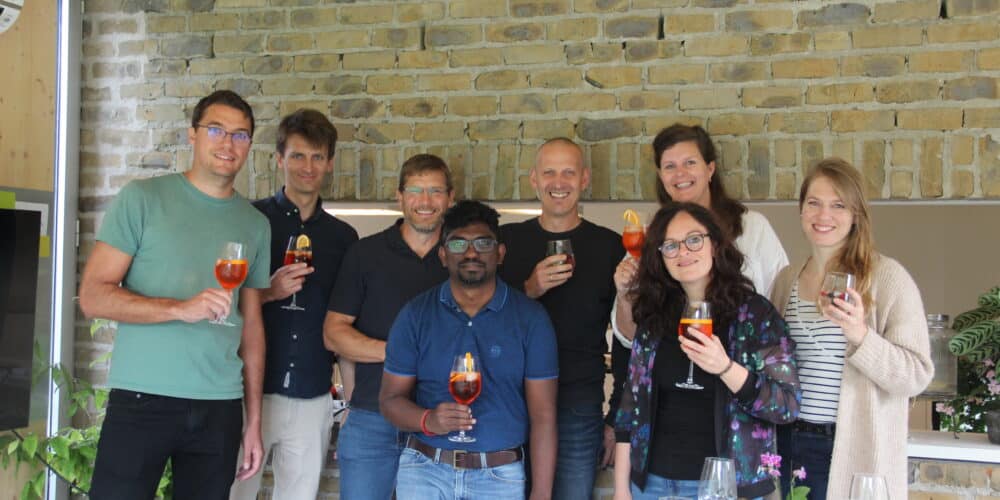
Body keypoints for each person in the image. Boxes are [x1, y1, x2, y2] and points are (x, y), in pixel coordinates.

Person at [79, 90, 270, 499]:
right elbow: (93, 297)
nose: (228, 143)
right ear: (192, 135)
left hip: (220, 405)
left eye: (240, 135)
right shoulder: (142, 199)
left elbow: (252, 326)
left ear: (249, 145)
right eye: (216, 129)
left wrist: (253, 420)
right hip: (141, 398)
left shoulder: (255, 224)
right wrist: (180, 309)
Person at [613, 202, 801, 500]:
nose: (683, 252)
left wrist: (725, 368)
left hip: (724, 487)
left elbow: (786, 405)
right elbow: (629, 407)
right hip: (651, 486)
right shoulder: (654, 315)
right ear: (660, 257)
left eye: (694, 240)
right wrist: (621, 489)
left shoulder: (755, 315)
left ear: (714, 245)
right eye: (670, 245)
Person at [770, 158, 932, 500]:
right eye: (814, 203)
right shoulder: (786, 280)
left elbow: (916, 375)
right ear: (801, 210)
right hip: (787, 439)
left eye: (838, 205)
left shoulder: (887, 278)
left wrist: (860, 335)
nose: (823, 215)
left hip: (849, 446)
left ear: (856, 214)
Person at [380, 200, 559, 500]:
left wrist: (541, 493)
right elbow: (389, 400)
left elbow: (543, 415)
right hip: (425, 471)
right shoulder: (415, 314)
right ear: (443, 254)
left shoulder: (531, 319)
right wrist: (428, 420)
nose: (471, 253)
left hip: (499, 477)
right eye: (458, 243)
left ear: (500, 253)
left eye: (483, 243)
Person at [229, 109, 358, 500]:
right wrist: (267, 292)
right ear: (279, 159)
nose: (308, 167)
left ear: (330, 163)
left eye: (318, 157)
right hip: (245, 392)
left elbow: (344, 322)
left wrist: (351, 401)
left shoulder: (343, 237)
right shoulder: (248, 220)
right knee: (234, 493)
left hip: (313, 394)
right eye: (298, 155)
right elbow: (218, 304)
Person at [498, 137, 626, 499]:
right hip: (509, 402)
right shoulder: (505, 242)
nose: (559, 182)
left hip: (578, 404)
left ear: (584, 179)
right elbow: (478, 318)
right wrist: (528, 289)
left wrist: (616, 417)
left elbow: (627, 340)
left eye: (568, 172)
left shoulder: (609, 246)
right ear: (534, 179)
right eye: (549, 172)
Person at [324, 154, 454, 500]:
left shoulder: (462, 257)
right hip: (372, 416)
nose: (425, 201)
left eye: (435, 191)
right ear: (399, 196)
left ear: (450, 198)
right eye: (415, 191)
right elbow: (333, 333)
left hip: (439, 418)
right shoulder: (365, 254)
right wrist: (399, 354)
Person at [612, 124, 788, 345]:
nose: (680, 173)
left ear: (710, 169)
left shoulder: (753, 227)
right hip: (674, 359)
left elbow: (782, 303)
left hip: (744, 357)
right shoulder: (652, 236)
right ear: (661, 176)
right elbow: (630, 337)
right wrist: (625, 294)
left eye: (690, 162)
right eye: (670, 166)